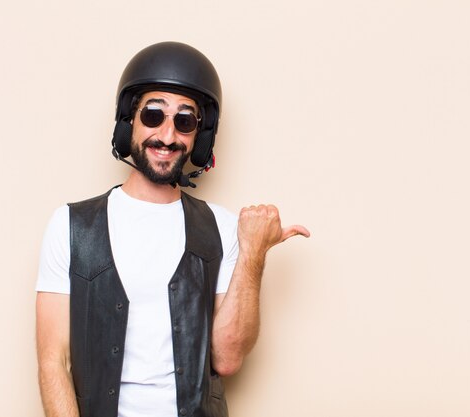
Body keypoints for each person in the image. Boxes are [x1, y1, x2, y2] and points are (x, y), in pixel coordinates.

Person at [35, 41, 310, 417]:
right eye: (153, 114)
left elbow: (227, 358)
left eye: (184, 121)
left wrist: (253, 253)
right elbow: (53, 362)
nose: (167, 135)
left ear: (200, 136)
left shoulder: (222, 227)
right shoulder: (69, 227)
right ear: (128, 121)